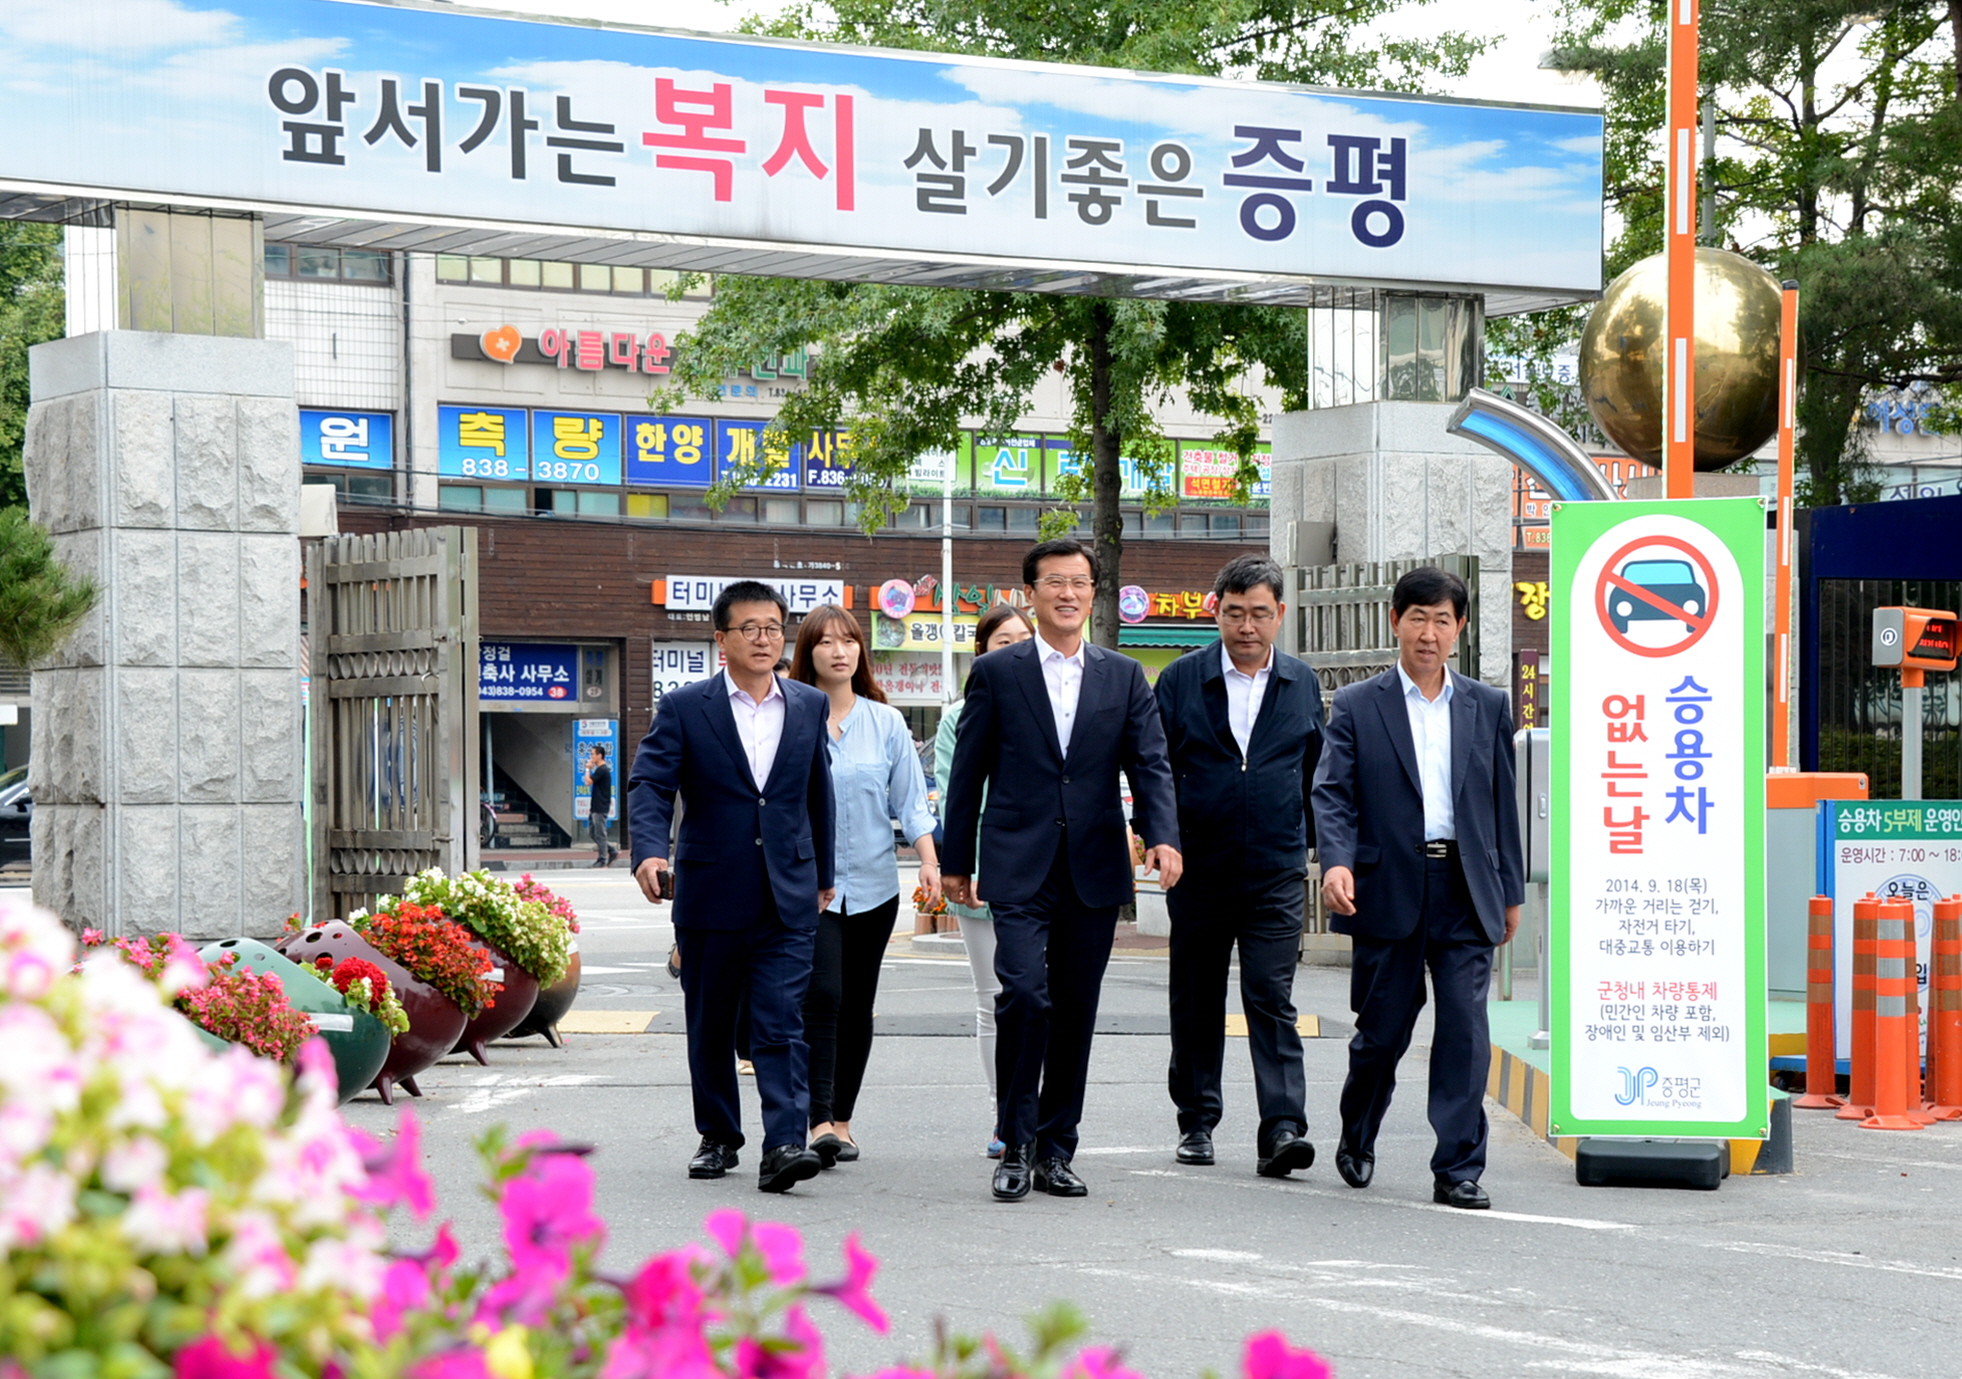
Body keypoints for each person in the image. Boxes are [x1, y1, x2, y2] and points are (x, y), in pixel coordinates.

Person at [942, 539, 1183, 1202]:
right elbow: (968, 773)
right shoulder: (999, 674)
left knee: (1075, 1009)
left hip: (1094, 864)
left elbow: (1150, 764)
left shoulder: (1123, 675)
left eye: (1079, 582)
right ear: (1032, 593)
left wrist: (1162, 835)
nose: (1068, 593)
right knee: (1021, 994)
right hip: (1016, 863)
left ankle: (1055, 1148)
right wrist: (956, 858)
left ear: (1092, 593)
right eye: (1055, 582)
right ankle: (1014, 1140)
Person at [1309, 566, 1524, 1210]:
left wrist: (1510, 890)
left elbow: (1500, 806)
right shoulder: (1355, 705)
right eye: (1416, 618)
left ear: (1458, 629)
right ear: (1395, 622)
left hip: (1465, 885)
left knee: (1465, 1028)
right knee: (1383, 1032)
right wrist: (1338, 863)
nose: (1428, 633)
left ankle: (1458, 1166)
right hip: (1387, 886)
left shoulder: (1486, 706)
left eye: (1441, 620)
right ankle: (1359, 1131)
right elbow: (1333, 794)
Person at [627, 579, 836, 1194]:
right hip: (712, 890)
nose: (766, 638)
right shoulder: (687, 707)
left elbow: (815, 793)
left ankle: (785, 1144)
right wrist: (646, 853)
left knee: (780, 1020)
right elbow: (651, 785)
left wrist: (822, 873)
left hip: (788, 892)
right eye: (751, 628)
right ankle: (719, 1135)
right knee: (711, 1022)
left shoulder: (807, 704)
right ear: (721, 640)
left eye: (774, 627)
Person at [1153, 554, 1323, 1178]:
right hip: (1197, 866)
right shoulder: (1180, 679)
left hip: (1275, 868)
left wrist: (1312, 843)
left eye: (1259, 613)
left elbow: (1315, 771)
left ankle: (1282, 1127)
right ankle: (1196, 1121)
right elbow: (1155, 767)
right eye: (1233, 613)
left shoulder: (1300, 683)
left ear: (1280, 614)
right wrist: (1159, 835)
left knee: (1270, 996)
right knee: (1196, 997)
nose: (1246, 626)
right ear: (1215, 611)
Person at [789, 604, 939, 1167]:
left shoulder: (886, 722)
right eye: (825, 642)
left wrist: (927, 860)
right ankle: (817, 1117)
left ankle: (842, 1119)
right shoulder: (792, 717)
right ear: (809, 652)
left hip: (876, 885)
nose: (838, 651)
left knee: (857, 1004)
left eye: (848, 641)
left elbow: (910, 802)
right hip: (813, 888)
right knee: (821, 995)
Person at [933, 602, 1037, 1159]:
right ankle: (1005, 1115)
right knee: (993, 998)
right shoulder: (958, 716)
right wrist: (965, 868)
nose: (1018, 648)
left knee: (1042, 998)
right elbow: (958, 795)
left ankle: (1039, 1111)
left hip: (1047, 873)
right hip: (985, 874)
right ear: (983, 654)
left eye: (1025, 638)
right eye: (1004, 641)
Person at [584, 745, 617, 867]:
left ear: (600, 755)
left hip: (601, 806)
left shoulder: (602, 770)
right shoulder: (600, 770)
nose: (591, 757)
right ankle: (611, 850)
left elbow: (588, 782)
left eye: (593, 754)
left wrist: (587, 769)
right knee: (593, 833)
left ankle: (602, 859)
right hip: (595, 805)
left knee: (600, 834)